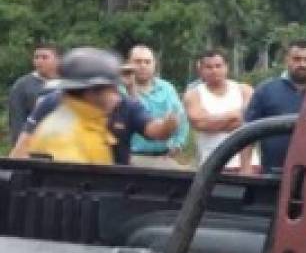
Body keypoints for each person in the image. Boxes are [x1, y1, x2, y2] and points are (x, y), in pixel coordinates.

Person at [12, 65, 178, 164]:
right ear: (89, 92)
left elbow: (155, 130)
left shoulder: (127, 105)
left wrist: (168, 125)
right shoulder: (54, 105)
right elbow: (21, 150)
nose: (115, 96)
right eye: (109, 90)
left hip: (112, 186)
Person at [22, 48, 123, 165]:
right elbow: (73, 182)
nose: (118, 97)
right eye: (113, 90)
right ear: (91, 92)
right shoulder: (63, 137)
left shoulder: (89, 124)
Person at [243, 40, 306, 175]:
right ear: (287, 60)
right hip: (272, 174)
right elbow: (247, 134)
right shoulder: (266, 90)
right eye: (297, 59)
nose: (302, 64)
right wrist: (245, 170)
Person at [184, 49, 255, 170]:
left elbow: (250, 122)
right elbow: (200, 124)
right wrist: (234, 115)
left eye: (218, 66)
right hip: (211, 165)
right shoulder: (193, 95)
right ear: (201, 70)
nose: (214, 70)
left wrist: (213, 120)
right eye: (209, 67)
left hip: (247, 165)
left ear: (226, 67)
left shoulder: (245, 90)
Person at [125, 44, 189, 168]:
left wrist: (178, 144)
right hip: (131, 157)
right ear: (128, 64)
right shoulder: (119, 89)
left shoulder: (167, 88)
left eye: (147, 62)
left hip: (163, 157)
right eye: (138, 62)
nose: (143, 66)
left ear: (154, 64)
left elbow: (181, 118)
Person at [7, 43, 60, 145]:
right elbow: (17, 121)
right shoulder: (22, 85)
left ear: (58, 60)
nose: (39, 61)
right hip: (34, 146)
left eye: (45, 57)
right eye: (36, 57)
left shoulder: (67, 83)